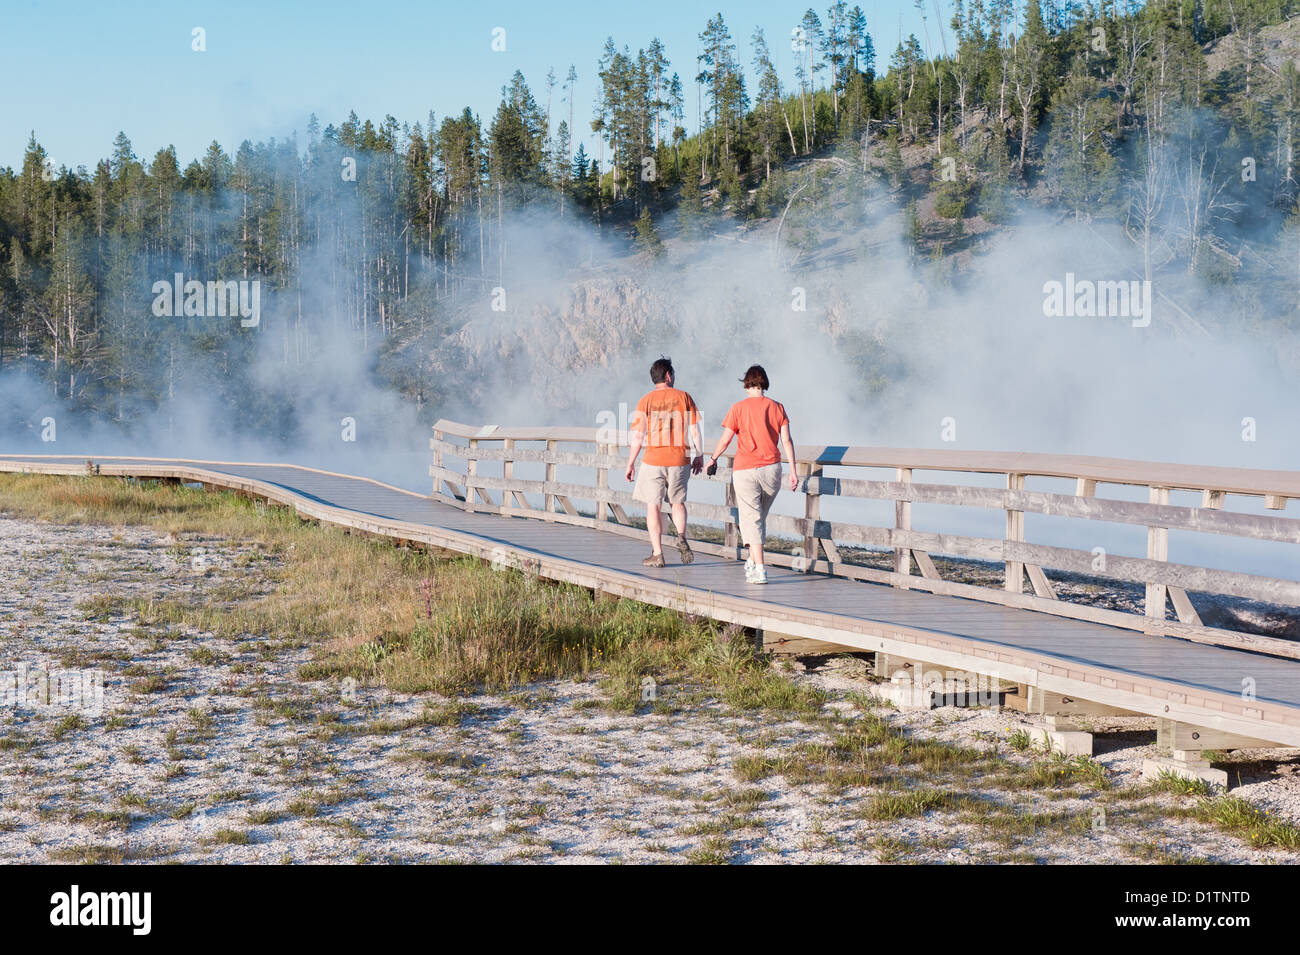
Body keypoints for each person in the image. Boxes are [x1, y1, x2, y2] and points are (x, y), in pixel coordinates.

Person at [705, 364, 797, 584]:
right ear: (764, 382)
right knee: (756, 518)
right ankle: (752, 560)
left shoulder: (738, 408)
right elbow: (786, 441)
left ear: (747, 384)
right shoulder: (778, 407)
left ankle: (760, 568)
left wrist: (713, 458)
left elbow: (726, 439)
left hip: (746, 470)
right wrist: (793, 470)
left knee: (752, 518)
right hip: (772, 470)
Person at [625, 356, 704, 567]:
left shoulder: (646, 401)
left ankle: (658, 554)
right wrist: (700, 454)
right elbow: (695, 430)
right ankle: (681, 535)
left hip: (654, 459)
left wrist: (630, 463)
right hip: (679, 458)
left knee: (653, 506)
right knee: (677, 502)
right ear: (668, 375)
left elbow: (638, 437)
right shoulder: (684, 396)